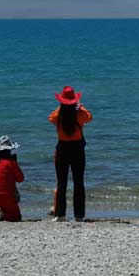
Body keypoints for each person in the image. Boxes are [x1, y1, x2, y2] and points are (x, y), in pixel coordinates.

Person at [48, 85, 92, 222]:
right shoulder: (80, 114)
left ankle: (60, 214)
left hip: (62, 148)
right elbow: (89, 117)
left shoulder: (58, 114)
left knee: (62, 182)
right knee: (79, 182)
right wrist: (80, 106)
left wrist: (61, 106)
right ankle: (79, 215)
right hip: (77, 149)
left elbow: (50, 118)